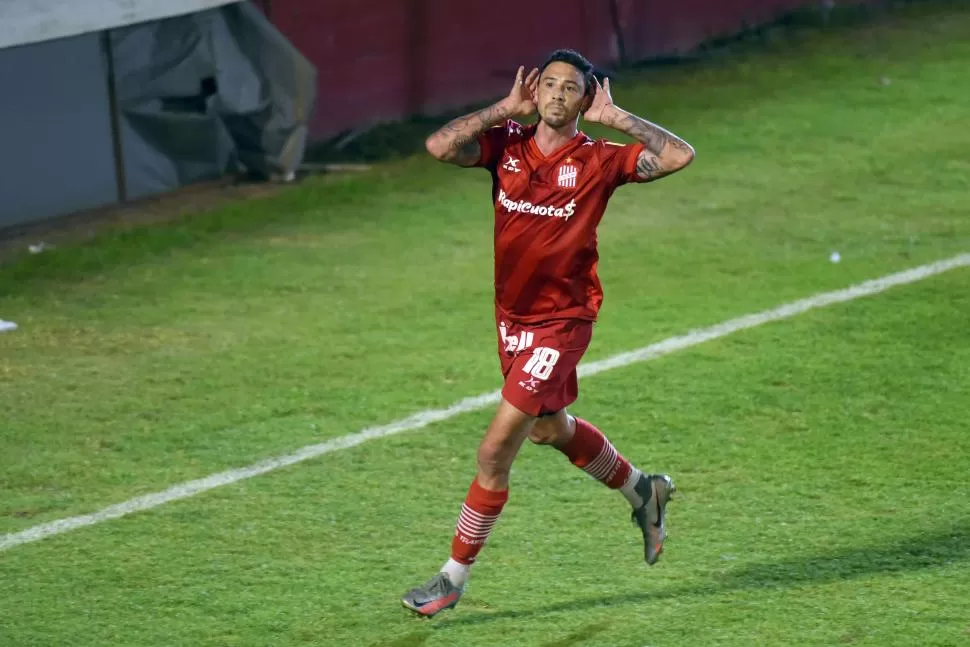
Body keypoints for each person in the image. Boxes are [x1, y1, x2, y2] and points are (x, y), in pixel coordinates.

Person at [401, 49, 695, 617]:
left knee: (495, 451)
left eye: (570, 88)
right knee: (547, 430)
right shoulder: (505, 145)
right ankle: (643, 490)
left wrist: (622, 119)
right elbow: (438, 147)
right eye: (550, 85)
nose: (558, 94)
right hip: (512, 318)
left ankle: (451, 578)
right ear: (534, 92)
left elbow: (680, 154)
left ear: (586, 100)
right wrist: (499, 109)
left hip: (562, 323)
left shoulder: (601, 160)